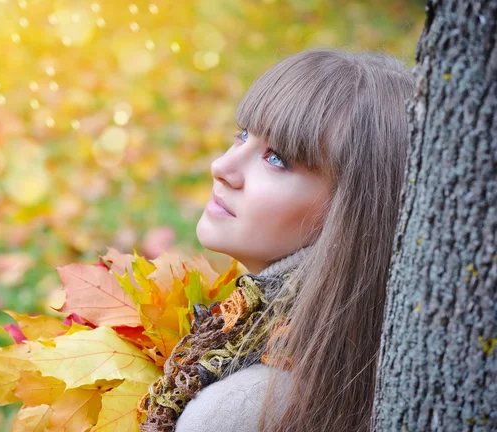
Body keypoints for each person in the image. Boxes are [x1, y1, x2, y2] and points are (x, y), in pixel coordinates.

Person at [139, 47, 415, 432]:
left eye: (277, 159)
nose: (222, 167)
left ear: (351, 211)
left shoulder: (236, 410)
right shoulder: (346, 351)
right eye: (243, 135)